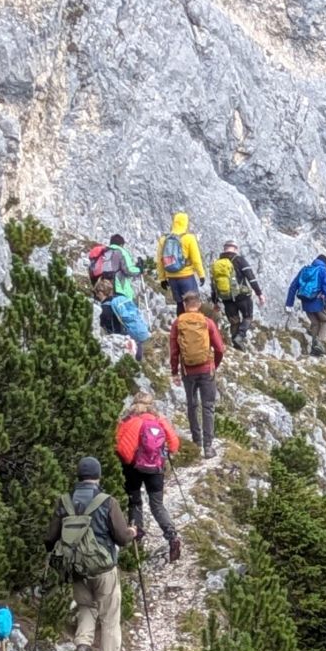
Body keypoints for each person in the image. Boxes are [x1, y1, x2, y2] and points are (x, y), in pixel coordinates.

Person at [43, 457, 135, 651]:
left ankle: (83, 643)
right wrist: (132, 532)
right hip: (103, 569)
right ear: (98, 476)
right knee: (109, 618)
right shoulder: (108, 502)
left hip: (76, 569)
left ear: (79, 476)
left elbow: (50, 539)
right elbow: (122, 538)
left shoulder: (64, 502)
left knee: (86, 607)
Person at [115, 393, 183, 563]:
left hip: (133, 469)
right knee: (157, 505)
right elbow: (174, 445)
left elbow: (120, 446)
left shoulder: (130, 421)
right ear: (152, 405)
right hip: (156, 469)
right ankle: (172, 536)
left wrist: (128, 462)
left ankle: (136, 538)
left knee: (135, 502)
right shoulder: (159, 420)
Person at [168, 291, 225, 456]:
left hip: (188, 371)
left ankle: (196, 441)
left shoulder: (177, 323)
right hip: (207, 370)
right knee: (208, 406)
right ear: (199, 304)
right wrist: (214, 365)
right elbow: (220, 348)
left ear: (184, 305)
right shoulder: (207, 322)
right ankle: (208, 447)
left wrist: (174, 372)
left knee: (192, 405)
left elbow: (174, 351)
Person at [210, 240, 265, 351]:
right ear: (235, 249)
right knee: (248, 317)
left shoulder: (217, 263)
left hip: (226, 298)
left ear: (224, 248)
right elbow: (251, 277)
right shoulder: (240, 260)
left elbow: (214, 284)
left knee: (234, 321)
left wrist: (215, 302)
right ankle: (240, 337)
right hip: (242, 296)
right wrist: (259, 294)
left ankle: (236, 346)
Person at [285, 253, 326, 357]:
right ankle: (319, 342)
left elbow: (293, 286)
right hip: (317, 301)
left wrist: (289, 303)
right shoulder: (323, 270)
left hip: (305, 302)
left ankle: (315, 350)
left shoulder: (305, 270)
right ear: (325, 263)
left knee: (315, 323)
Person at [157, 213, 207, 306]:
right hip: (186, 276)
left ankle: (180, 316)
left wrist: (162, 278)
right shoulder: (189, 238)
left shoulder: (163, 239)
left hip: (171, 278)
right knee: (192, 304)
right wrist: (201, 275)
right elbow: (196, 259)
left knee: (179, 304)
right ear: (185, 223)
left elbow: (160, 261)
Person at [87, 233, 140, 301]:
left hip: (105, 289)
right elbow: (129, 270)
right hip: (119, 289)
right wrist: (139, 269)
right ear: (121, 244)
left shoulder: (104, 251)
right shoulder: (121, 251)